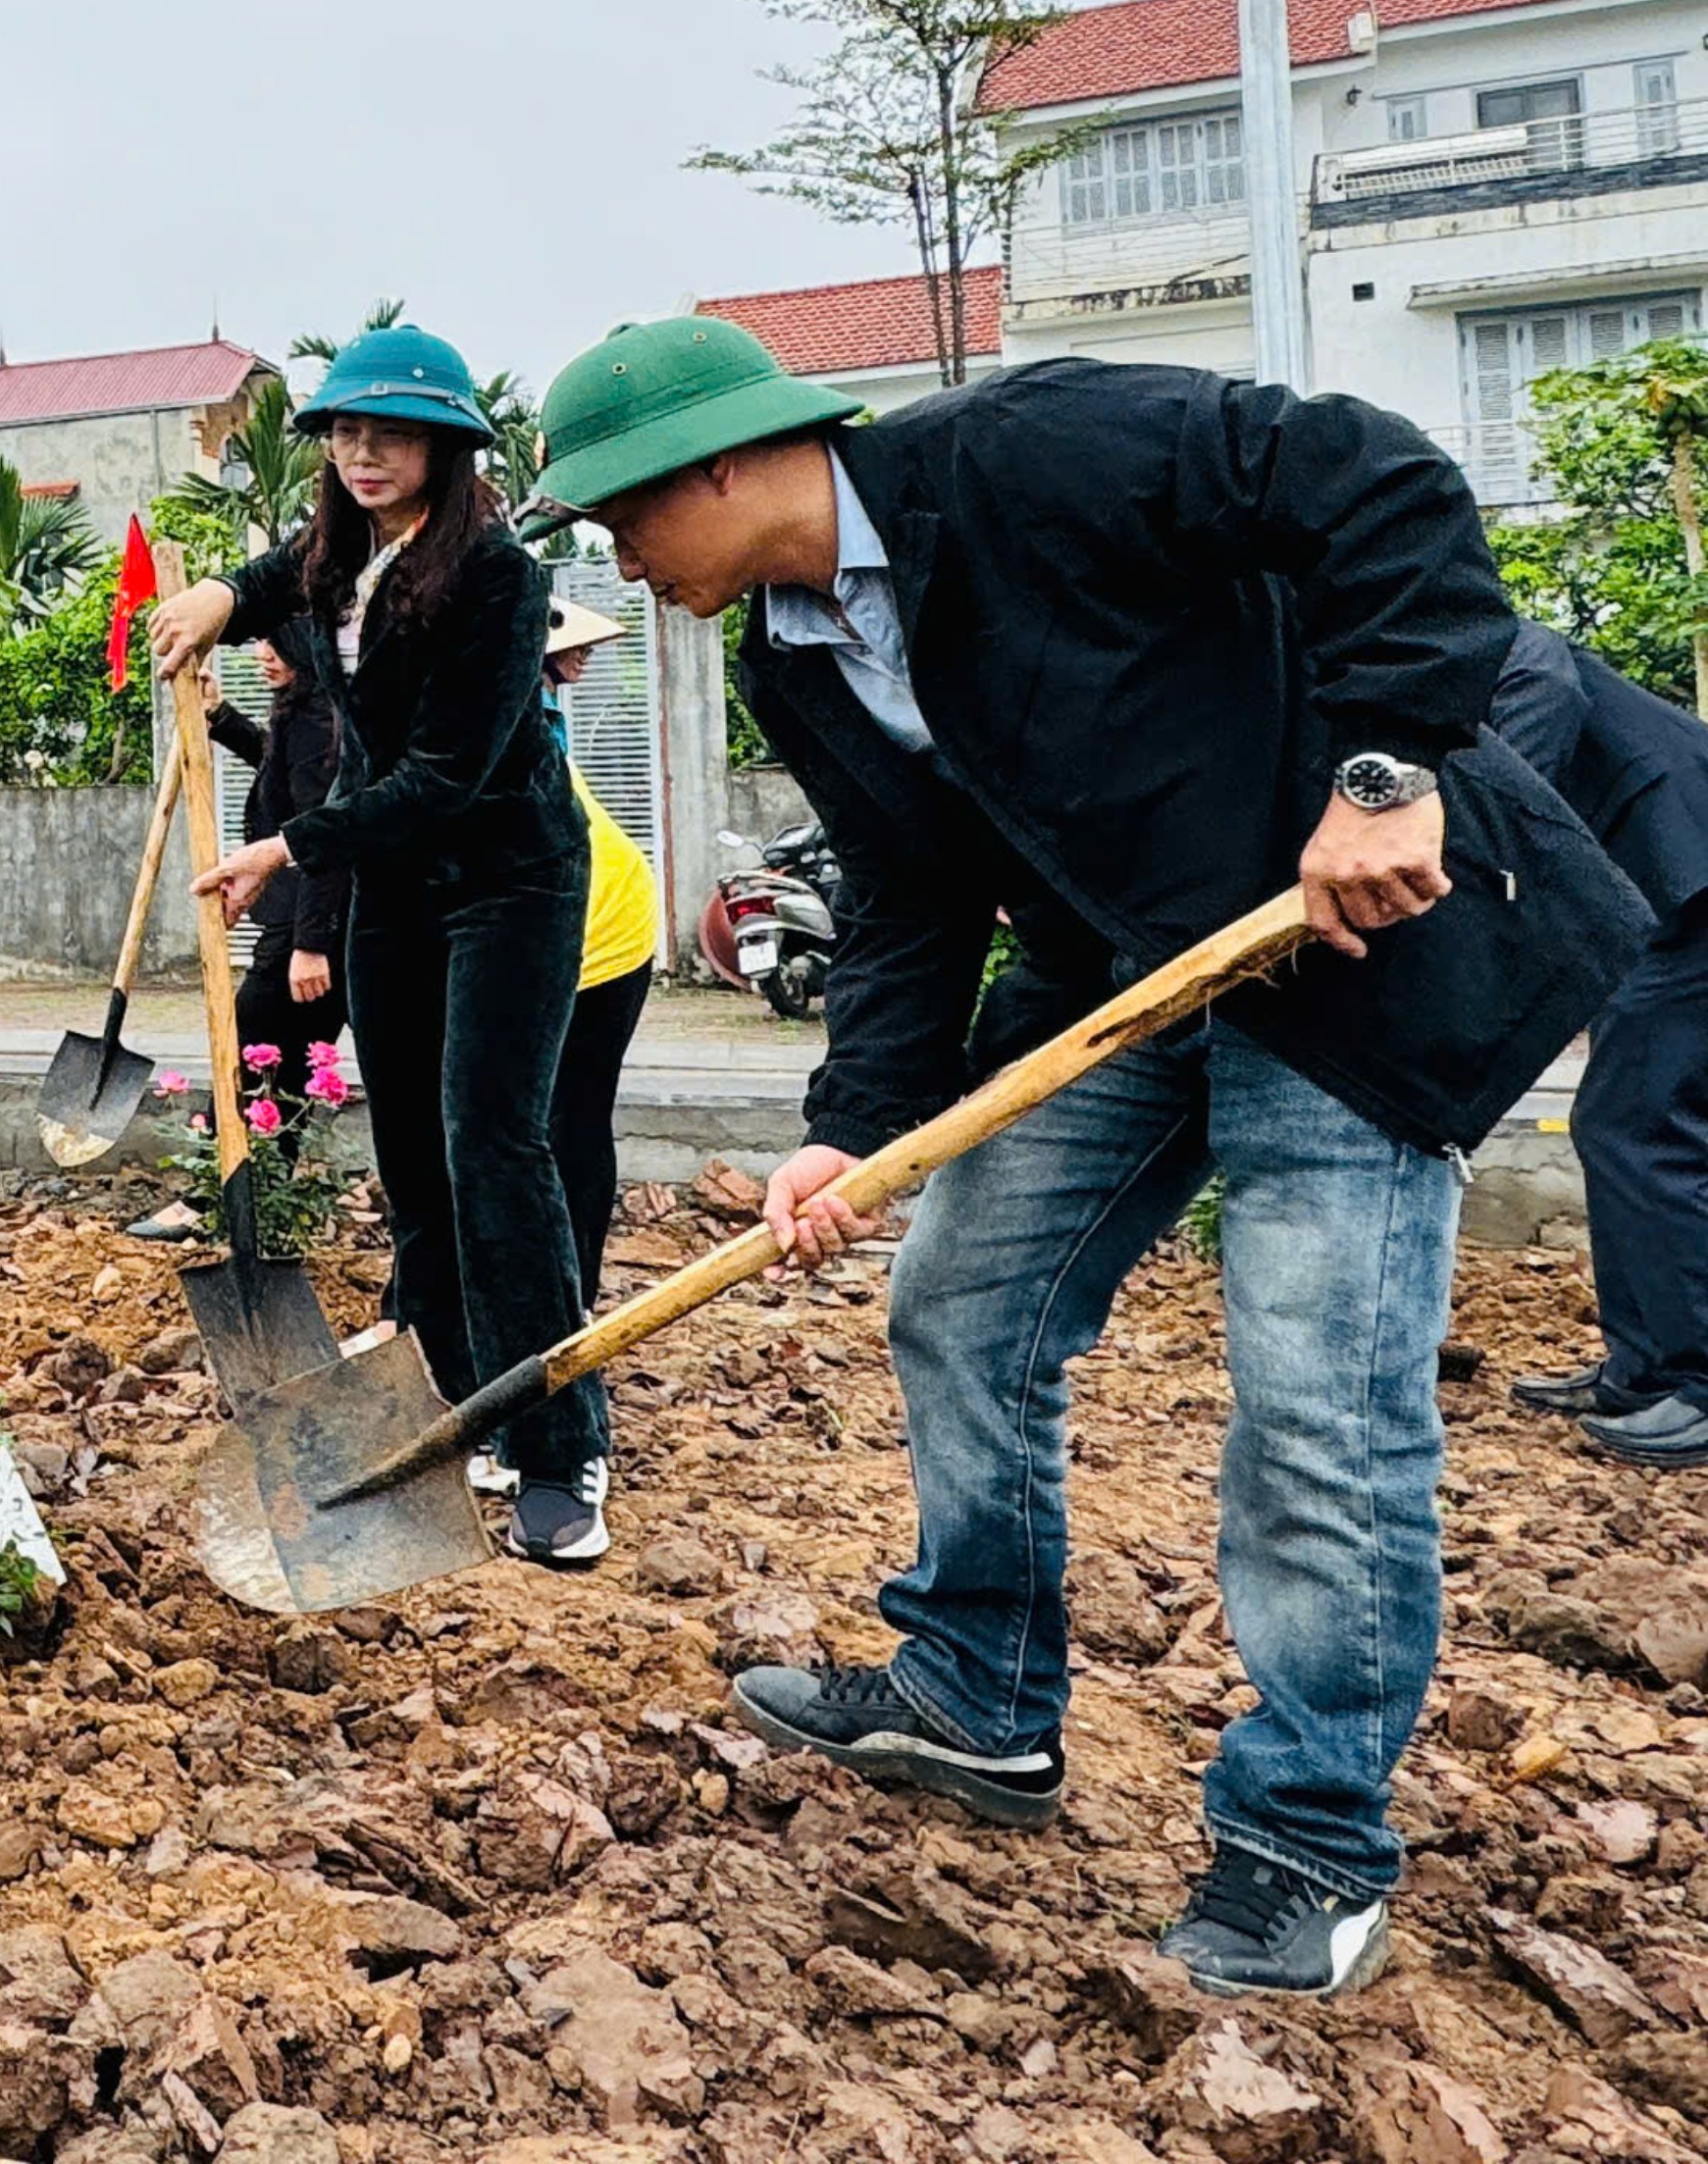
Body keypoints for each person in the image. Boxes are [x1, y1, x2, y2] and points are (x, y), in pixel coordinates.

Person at [527, 312, 1646, 1999]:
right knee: (960, 1292)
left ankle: (1307, 1837)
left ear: (729, 460)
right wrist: (849, 1126)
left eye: (625, 516)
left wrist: (1381, 764)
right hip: (1118, 984)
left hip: (1347, 959)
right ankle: (975, 1692)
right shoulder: (790, 646)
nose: (619, 559)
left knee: (1314, 1404)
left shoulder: (1023, 453)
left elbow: (1372, 476)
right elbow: (910, 895)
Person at [153, 323, 603, 1569]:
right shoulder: (336, 553)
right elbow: (268, 576)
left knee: (493, 1147)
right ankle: (461, 1405)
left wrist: (289, 850)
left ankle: (562, 1440)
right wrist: (213, 597)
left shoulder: (497, 577)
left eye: (391, 431)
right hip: (397, 895)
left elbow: (447, 777)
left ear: (449, 446)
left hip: (506, 879)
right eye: (346, 430)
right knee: (410, 1153)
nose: (362, 451)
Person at [1484, 619, 1708, 1463]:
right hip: (1663, 887)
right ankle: (1647, 1370)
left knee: (1642, 1124)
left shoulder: (1459, 622)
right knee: (1622, 1124)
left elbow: (1544, 678)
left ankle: (1695, 1381)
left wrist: (1485, 839)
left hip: (1691, 869)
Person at [128, 641, 354, 1246]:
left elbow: (325, 836)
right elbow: (282, 779)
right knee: (276, 1058)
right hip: (310, 920)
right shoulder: (303, 709)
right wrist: (222, 718)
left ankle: (223, 1196)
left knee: (255, 1045)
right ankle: (253, 1198)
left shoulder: (322, 717)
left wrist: (310, 944)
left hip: (316, 924)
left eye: (278, 642)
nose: (263, 653)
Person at [543, 599, 659, 1312]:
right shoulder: (508, 704)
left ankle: (573, 1300)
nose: (586, 657)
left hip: (606, 931)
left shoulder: (533, 713)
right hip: (554, 922)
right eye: (572, 646)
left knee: (572, 1118)